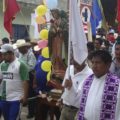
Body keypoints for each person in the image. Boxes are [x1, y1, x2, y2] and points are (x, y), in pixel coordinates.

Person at [78, 50, 120, 120]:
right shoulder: (87, 81)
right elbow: (78, 101)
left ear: (108, 65)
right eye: (93, 62)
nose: (94, 66)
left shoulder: (117, 84)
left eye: (98, 63)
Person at [0, 44, 29, 120]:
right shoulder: (2, 65)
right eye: (2, 54)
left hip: (16, 99)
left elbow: (25, 81)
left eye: (5, 54)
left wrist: (25, 97)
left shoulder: (20, 64)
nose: (3, 56)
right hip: (4, 98)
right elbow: (0, 79)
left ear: (11, 53)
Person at [16, 39, 36, 118]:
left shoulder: (30, 54)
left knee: (30, 95)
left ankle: (31, 112)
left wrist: (22, 70)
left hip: (29, 76)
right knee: (22, 94)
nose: (19, 50)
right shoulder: (21, 54)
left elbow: (32, 67)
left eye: (20, 48)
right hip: (21, 76)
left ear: (24, 48)